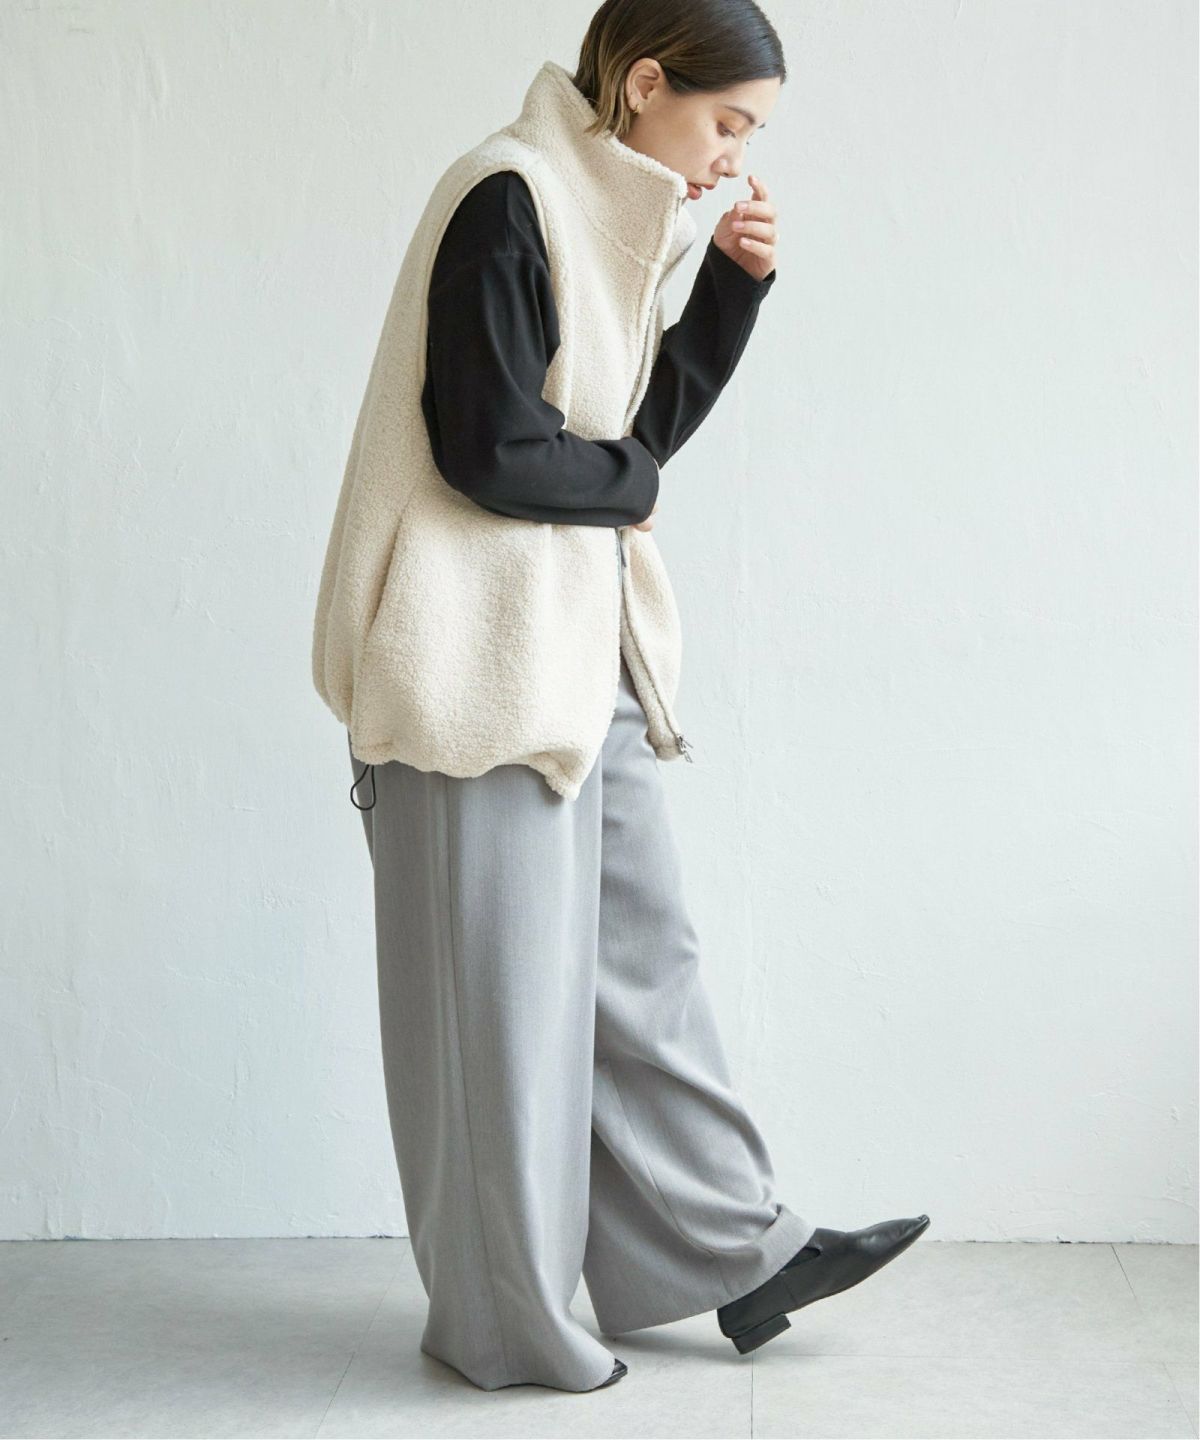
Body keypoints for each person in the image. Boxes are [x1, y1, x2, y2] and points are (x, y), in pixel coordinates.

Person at [311, 0, 929, 1395]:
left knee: (643, 971)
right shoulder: (507, 196)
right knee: (501, 1021)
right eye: (727, 122)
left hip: (577, 655)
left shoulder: (606, 225)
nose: (734, 157)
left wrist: (729, 297)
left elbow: (624, 448)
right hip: (473, 669)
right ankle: (506, 1324)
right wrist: (627, 485)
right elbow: (493, 449)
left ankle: (735, 1251)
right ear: (645, 82)